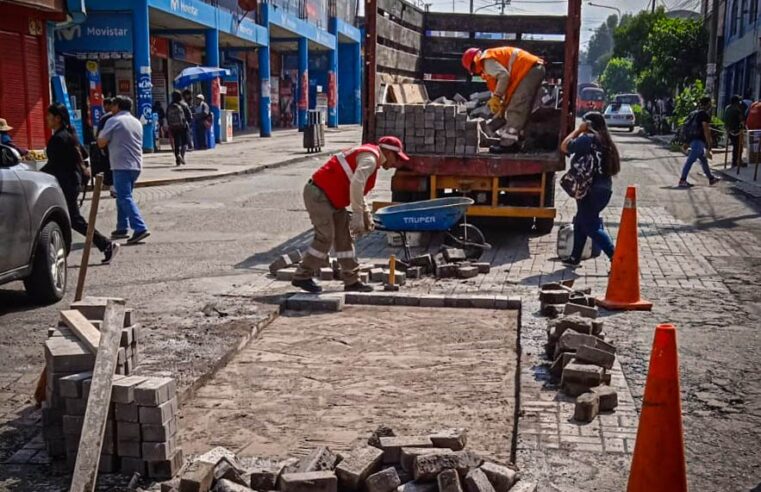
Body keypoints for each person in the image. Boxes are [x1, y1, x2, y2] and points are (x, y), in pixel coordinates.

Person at [291, 136, 409, 293]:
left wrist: (366, 212)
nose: (395, 163)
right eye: (396, 158)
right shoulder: (371, 159)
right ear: (387, 152)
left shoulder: (371, 156)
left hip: (333, 198)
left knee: (344, 239)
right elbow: (356, 183)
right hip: (319, 194)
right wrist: (358, 214)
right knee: (326, 237)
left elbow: (358, 189)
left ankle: (351, 280)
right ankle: (302, 276)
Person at [42, 104, 119, 263]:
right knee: (68, 219)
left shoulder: (58, 138)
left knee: (74, 220)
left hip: (66, 184)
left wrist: (36, 175)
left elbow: (53, 164)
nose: (47, 119)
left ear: (57, 118)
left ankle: (106, 245)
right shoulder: (70, 134)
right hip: (72, 182)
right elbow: (83, 155)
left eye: (49, 116)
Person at [559, 112, 620, 268]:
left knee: (590, 226)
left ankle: (616, 257)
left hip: (590, 190)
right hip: (604, 190)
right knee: (581, 221)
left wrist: (578, 130)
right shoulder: (607, 142)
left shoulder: (587, 140)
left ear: (588, 125)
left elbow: (564, 146)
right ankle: (575, 257)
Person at [461, 46, 545, 153]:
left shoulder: (486, 61)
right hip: (531, 69)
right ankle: (517, 141)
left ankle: (508, 145)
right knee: (520, 108)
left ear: (473, 64)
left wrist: (496, 97)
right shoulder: (490, 64)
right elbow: (507, 88)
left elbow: (504, 76)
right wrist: (503, 106)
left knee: (516, 108)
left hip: (529, 70)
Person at [97, 96, 151, 244]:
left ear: (117, 106)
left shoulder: (114, 120)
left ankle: (140, 227)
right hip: (135, 165)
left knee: (124, 197)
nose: (110, 109)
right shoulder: (136, 122)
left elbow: (101, 142)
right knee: (123, 196)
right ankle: (122, 227)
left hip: (121, 164)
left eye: (112, 106)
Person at [679, 96, 720, 188]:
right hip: (698, 141)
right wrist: (709, 142)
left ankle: (711, 178)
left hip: (693, 139)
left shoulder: (693, 113)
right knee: (690, 160)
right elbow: (705, 128)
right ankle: (682, 180)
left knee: (704, 160)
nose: (711, 105)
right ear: (707, 104)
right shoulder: (704, 115)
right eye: (710, 103)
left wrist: (687, 142)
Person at [166, 91, 190, 166]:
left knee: (176, 143)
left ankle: (177, 157)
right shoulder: (184, 104)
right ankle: (182, 156)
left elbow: (167, 116)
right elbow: (189, 116)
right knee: (184, 142)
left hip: (173, 127)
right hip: (183, 126)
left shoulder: (170, 106)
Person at [723, 95, 746, 168]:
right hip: (736, 131)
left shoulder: (727, 108)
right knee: (738, 146)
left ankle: (735, 161)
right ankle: (736, 161)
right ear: (736, 102)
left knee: (736, 146)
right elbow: (742, 120)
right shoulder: (737, 110)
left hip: (728, 130)